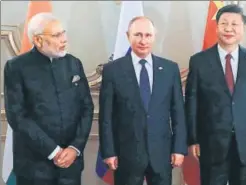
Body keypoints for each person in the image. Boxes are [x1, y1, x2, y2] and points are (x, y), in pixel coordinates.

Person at [185, 4, 246, 185]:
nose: (229, 28)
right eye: (224, 23)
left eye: (234, 24)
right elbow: (192, 103)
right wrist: (192, 139)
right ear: (216, 27)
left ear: (243, 28)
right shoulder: (199, 61)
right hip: (210, 142)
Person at [4, 12, 94, 185]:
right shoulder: (16, 68)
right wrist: (54, 151)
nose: (64, 39)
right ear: (38, 40)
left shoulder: (74, 63)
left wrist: (75, 148)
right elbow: (18, 117)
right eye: (56, 35)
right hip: (34, 168)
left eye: (63, 32)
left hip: (71, 165)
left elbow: (87, 107)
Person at [98, 16, 188, 185]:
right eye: (138, 35)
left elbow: (178, 113)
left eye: (148, 35)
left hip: (161, 154)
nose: (143, 40)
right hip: (126, 154)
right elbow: (106, 117)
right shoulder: (112, 70)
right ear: (128, 36)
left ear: (154, 36)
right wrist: (109, 151)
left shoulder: (169, 69)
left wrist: (179, 148)